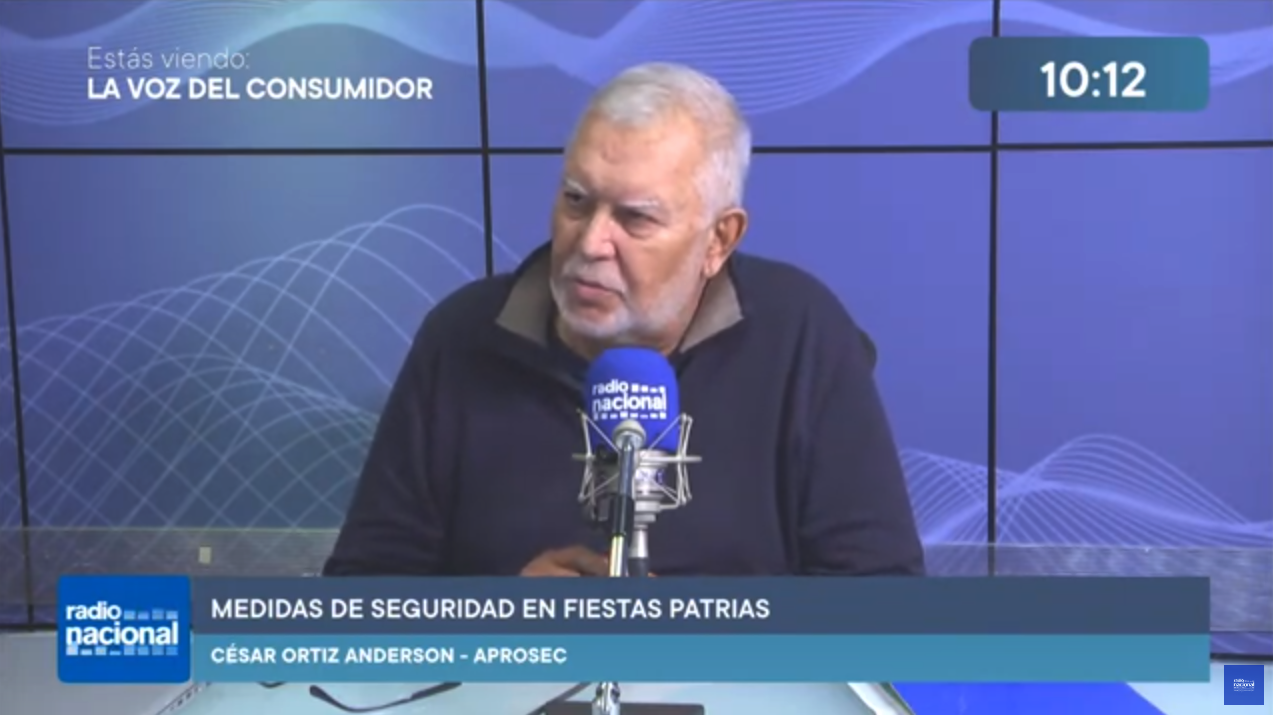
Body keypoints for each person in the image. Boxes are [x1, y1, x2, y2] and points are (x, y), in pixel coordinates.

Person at [323, 62, 924, 578]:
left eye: (636, 218)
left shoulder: (801, 334)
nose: (590, 243)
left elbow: (883, 601)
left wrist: (697, 633)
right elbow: (364, 594)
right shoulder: (460, 336)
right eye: (576, 201)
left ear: (719, 239)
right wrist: (502, 618)